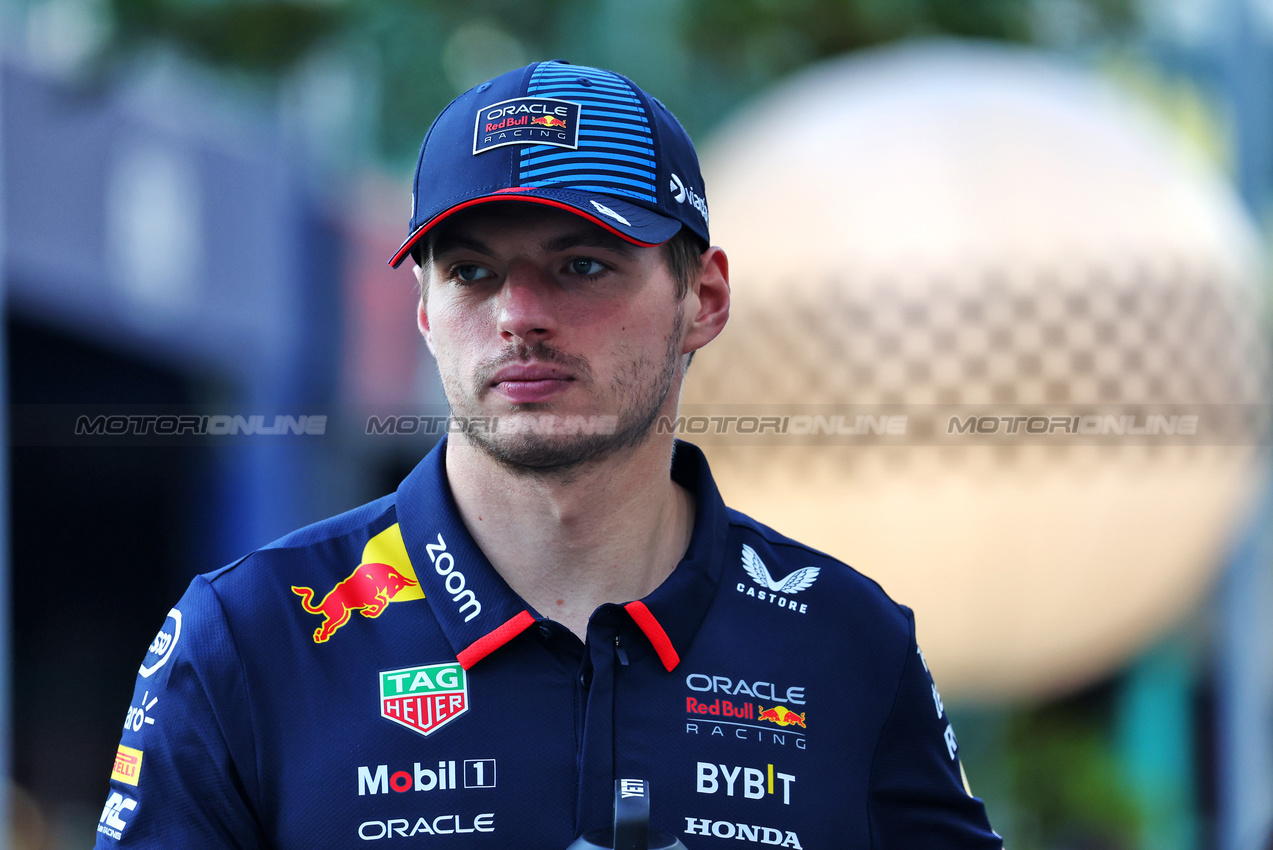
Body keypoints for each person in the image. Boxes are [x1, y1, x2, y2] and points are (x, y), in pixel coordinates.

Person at [94, 60, 1001, 849]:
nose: (518, 314)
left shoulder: (845, 641)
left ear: (705, 297)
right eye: (471, 272)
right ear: (424, 312)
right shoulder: (252, 636)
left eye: (581, 266)